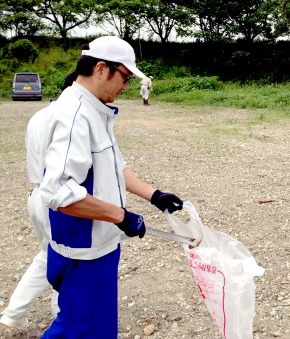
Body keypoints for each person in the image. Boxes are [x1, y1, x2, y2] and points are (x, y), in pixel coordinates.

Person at [33, 36, 184, 339]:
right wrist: (120, 216)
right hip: (82, 247)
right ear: (102, 69)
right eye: (125, 77)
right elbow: (59, 192)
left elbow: (115, 168)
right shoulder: (74, 116)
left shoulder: (94, 110)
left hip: (98, 243)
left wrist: (155, 195)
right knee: (83, 328)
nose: (126, 85)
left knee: (80, 324)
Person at [0, 105, 60, 331]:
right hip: (57, 199)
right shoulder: (69, 115)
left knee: (48, 254)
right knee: (64, 253)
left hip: (37, 194)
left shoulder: (38, 115)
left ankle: (14, 313)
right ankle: (60, 310)